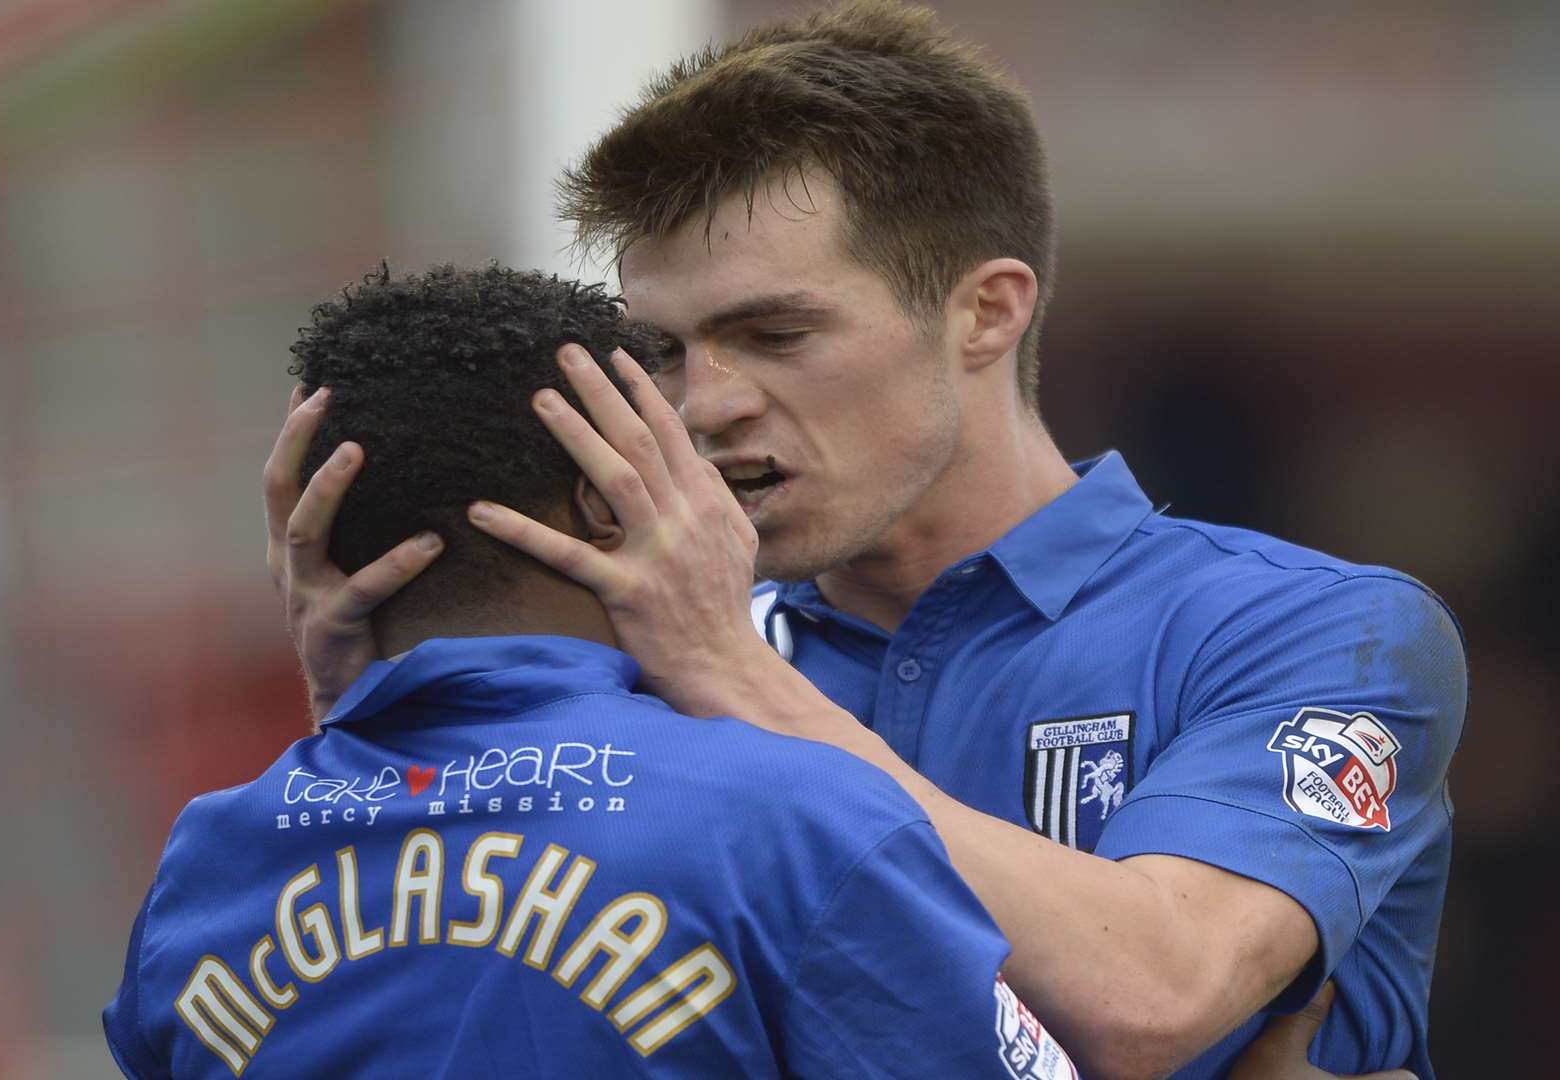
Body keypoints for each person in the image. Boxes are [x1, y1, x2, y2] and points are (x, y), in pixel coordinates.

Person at [265, 4, 1465, 1078]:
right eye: (669, 351)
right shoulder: (645, 672)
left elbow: (1151, 997)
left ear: (987, 311)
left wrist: (729, 677)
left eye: (775, 332)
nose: (704, 404)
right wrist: (367, 719)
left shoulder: (1310, 629)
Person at [104, 263, 1087, 1078]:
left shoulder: (212, 859)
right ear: (605, 501)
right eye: (675, 451)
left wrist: (349, 718)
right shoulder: (800, 824)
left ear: (317, 535)